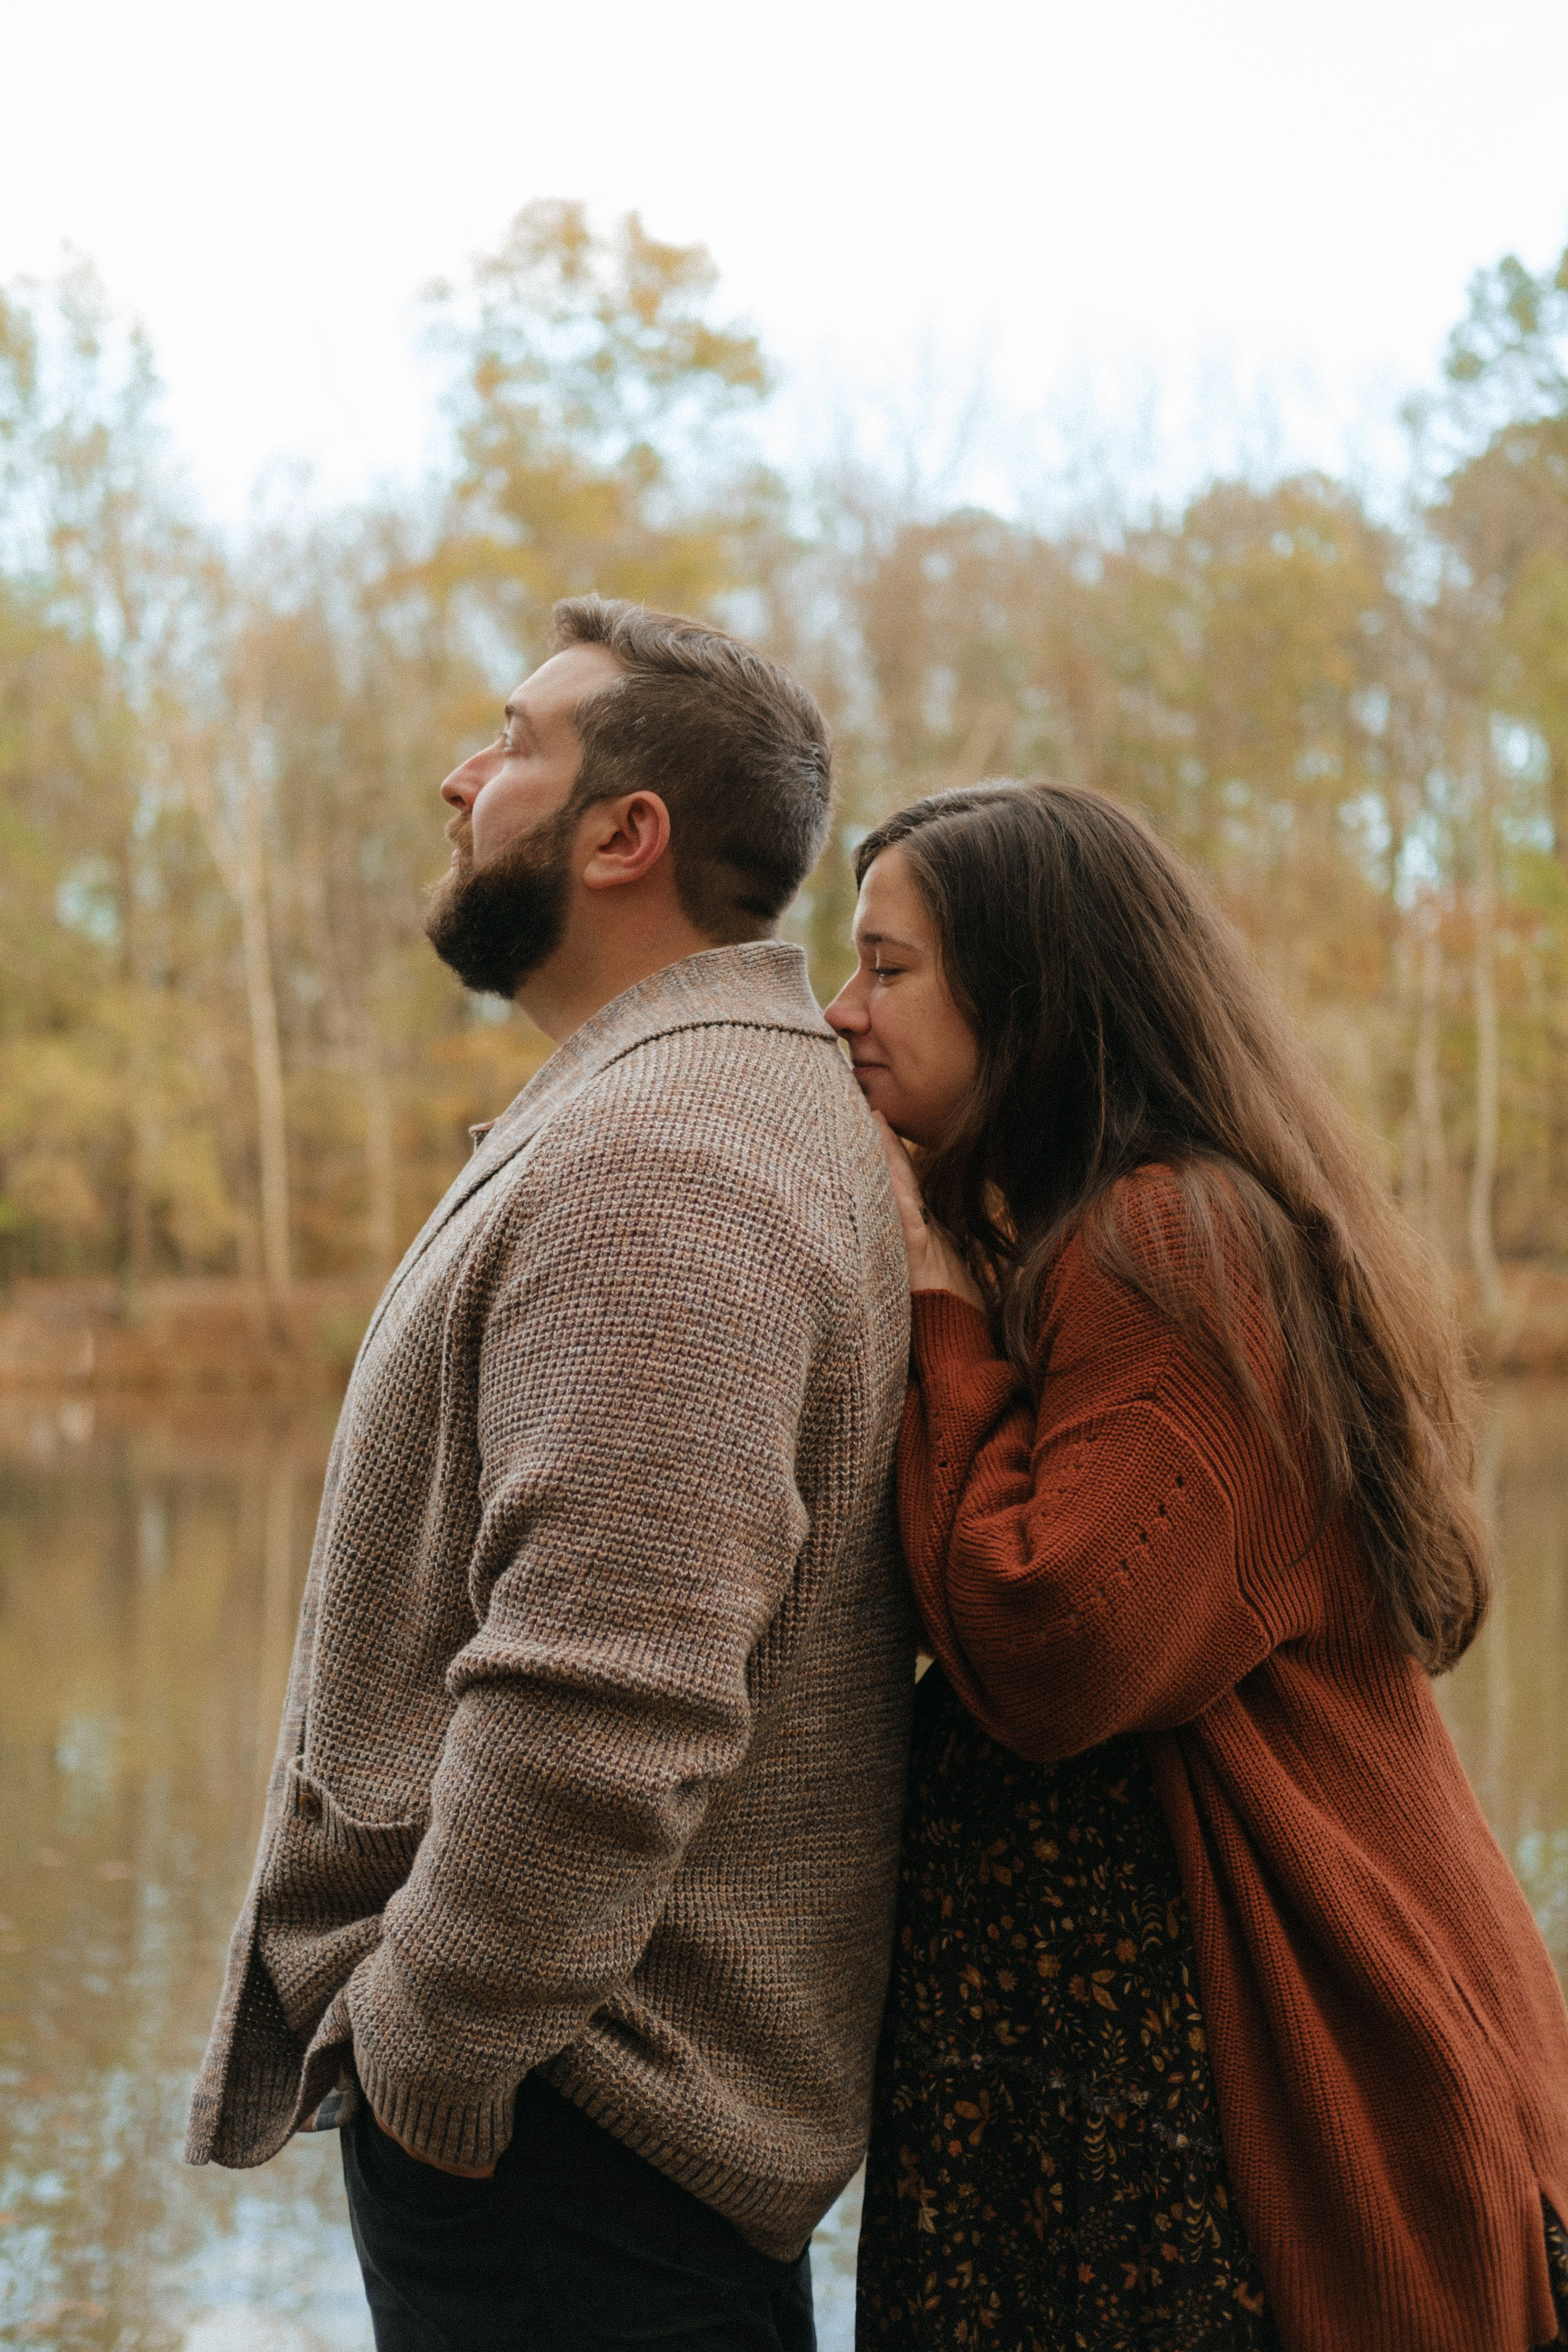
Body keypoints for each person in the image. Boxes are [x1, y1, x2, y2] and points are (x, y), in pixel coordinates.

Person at [185, 597, 918, 2352]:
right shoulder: (687, 1110)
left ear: (622, 837)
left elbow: (610, 1696)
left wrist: (431, 2060)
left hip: (573, 2154)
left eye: (511, 740)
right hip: (584, 2146)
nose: (460, 776)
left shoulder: (669, 1161)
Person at [824, 778, 1568, 2352]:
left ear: (1027, 992)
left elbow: (1058, 1640)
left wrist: (938, 1309)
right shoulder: (1106, 1229)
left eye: (886, 968)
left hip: (1209, 2111)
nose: (842, 1013)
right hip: (1109, 2104)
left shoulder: (1171, 1236)